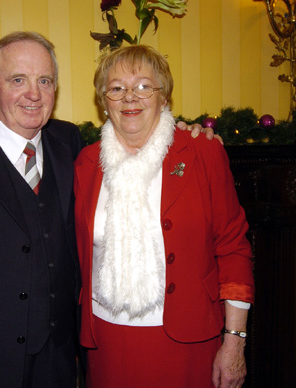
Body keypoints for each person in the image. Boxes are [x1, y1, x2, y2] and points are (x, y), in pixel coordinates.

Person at [0, 32, 214, 388]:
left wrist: (182, 132)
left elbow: (134, 141)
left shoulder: (69, 144)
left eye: (44, 81)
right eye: (17, 80)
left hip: (56, 359)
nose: (33, 93)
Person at [73, 45, 255, 388]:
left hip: (186, 339)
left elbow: (233, 248)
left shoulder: (202, 151)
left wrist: (235, 340)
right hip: (106, 340)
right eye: (116, 88)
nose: (130, 97)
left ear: (163, 96)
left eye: (144, 86)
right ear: (103, 100)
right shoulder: (84, 163)